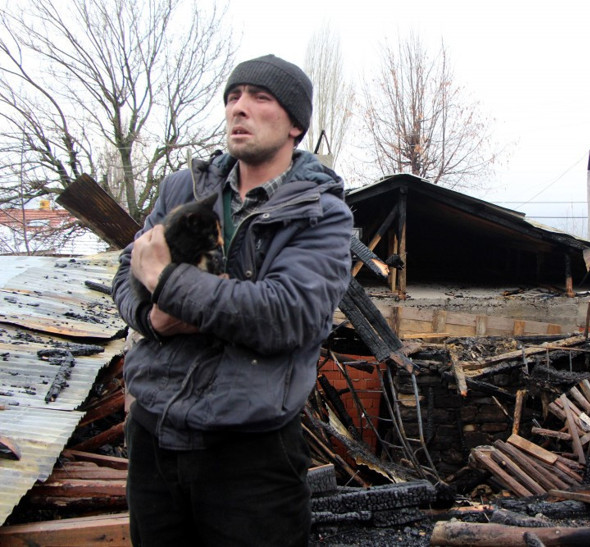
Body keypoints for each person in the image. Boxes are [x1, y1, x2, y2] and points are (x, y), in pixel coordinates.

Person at [112, 54, 353, 546]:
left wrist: (167, 281)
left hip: (250, 453)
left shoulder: (321, 214)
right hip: (153, 435)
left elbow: (286, 314)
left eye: (260, 98)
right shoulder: (185, 187)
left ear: (295, 125)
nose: (239, 108)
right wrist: (152, 317)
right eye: (233, 96)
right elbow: (125, 270)